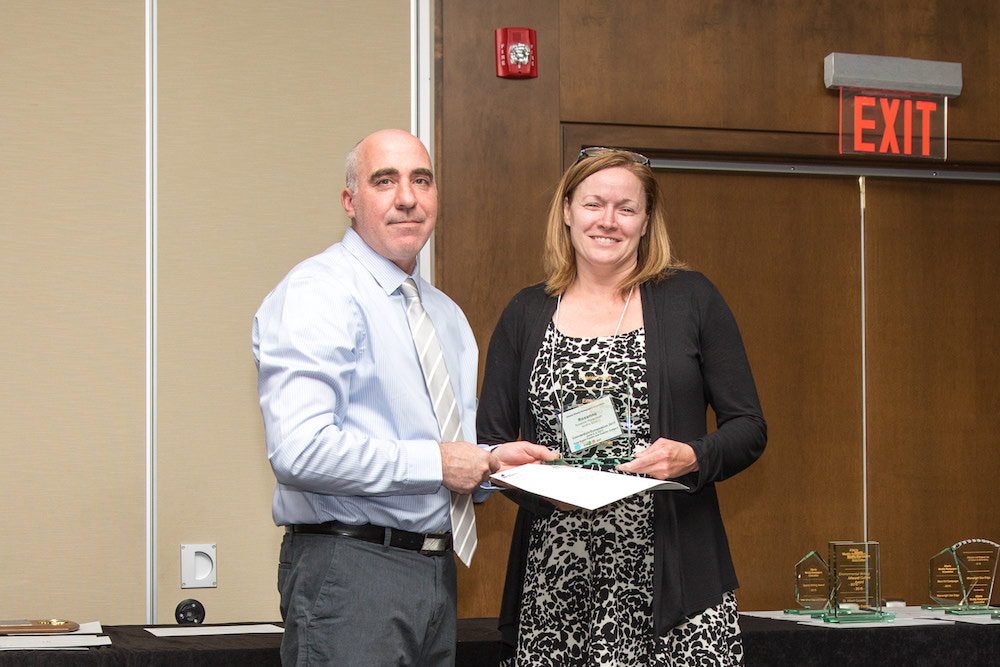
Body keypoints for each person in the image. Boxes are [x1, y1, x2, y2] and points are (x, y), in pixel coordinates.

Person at [252, 128, 555, 666]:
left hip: (435, 574)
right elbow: (299, 450)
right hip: (351, 571)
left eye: (422, 180)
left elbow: (447, 454)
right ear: (350, 201)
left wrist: (490, 465)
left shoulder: (446, 316)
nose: (408, 198)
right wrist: (437, 462)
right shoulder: (318, 292)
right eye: (385, 181)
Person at [477, 147, 767, 665]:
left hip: (675, 575)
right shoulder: (525, 312)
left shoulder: (691, 299)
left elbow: (748, 427)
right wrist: (525, 477)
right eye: (593, 204)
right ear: (567, 211)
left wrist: (693, 457)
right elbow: (491, 445)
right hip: (558, 575)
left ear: (646, 221)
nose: (608, 221)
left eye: (626, 208)